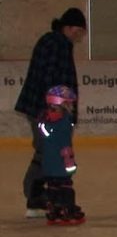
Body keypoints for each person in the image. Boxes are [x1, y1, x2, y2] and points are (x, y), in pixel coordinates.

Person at [14, 7, 87, 219]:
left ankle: (39, 197)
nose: (78, 36)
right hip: (45, 109)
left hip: (44, 107)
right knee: (48, 151)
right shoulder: (56, 44)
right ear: (68, 27)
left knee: (46, 151)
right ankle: (36, 196)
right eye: (78, 31)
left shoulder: (56, 42)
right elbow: (48, 77)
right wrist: (55, 109)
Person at [37, 85, 84, 225]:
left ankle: (54, 210)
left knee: (52, 186)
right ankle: (67, 209)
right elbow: (65, 146)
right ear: (63, 104)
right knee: (65, 186)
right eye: (69, 103)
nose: (72, 106)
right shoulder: (64, 122)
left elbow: (45, 136)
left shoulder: (45, 122)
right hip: (61, 163)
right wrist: (70, 165)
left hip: (48, 164)